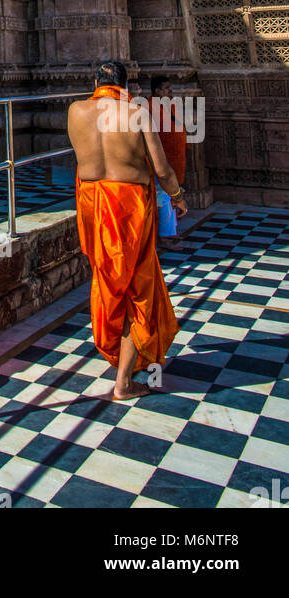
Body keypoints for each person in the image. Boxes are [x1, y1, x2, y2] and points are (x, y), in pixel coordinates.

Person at [67, 59, 186, 401]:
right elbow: (161, 168)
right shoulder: (137, 113)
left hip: (92, 204)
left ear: (95, 82)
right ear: (126, 86)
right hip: (129, 204)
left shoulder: (76, 111)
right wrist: (177, 197)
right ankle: (123, 384)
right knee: (140, 288)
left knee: (108, 282)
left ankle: (120, 357)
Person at [150, 75, 187, 249]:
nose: (169, 91)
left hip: (173, 160)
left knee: (171, 196)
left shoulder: (170, 106)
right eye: (166, 88)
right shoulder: (149, 107)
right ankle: (165, 237)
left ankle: (171, 232)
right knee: (164, 198)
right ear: (156, 91)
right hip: (161, 162)